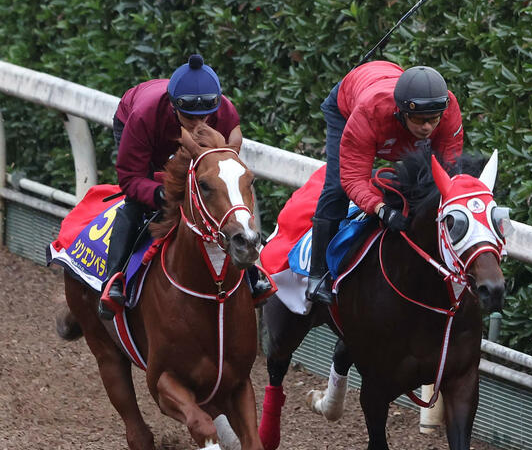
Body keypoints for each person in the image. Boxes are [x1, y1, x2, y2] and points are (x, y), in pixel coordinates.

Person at [98, 53, 271, 319]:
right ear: (173, 106)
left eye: (206, 117)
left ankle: (251, 274)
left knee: (222, 202)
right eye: (190, 118)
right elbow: (130, 178)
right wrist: (160, 193)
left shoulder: (224, 112)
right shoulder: (145, 117)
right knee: (136, 205)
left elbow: (227, 169)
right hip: (138, 122)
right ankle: (114, 281)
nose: (199, 124)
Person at [306, 61, 464, 304]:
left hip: (387, 81)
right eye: (419, 120)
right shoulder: (370, 112)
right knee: (337, 186)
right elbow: (353, 178)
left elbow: (446, 175)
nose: (427, 128)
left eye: (433, 120)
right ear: (401, 112)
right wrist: (380, 209)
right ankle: (317, 275)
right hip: (349, 105)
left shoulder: (449, 109)